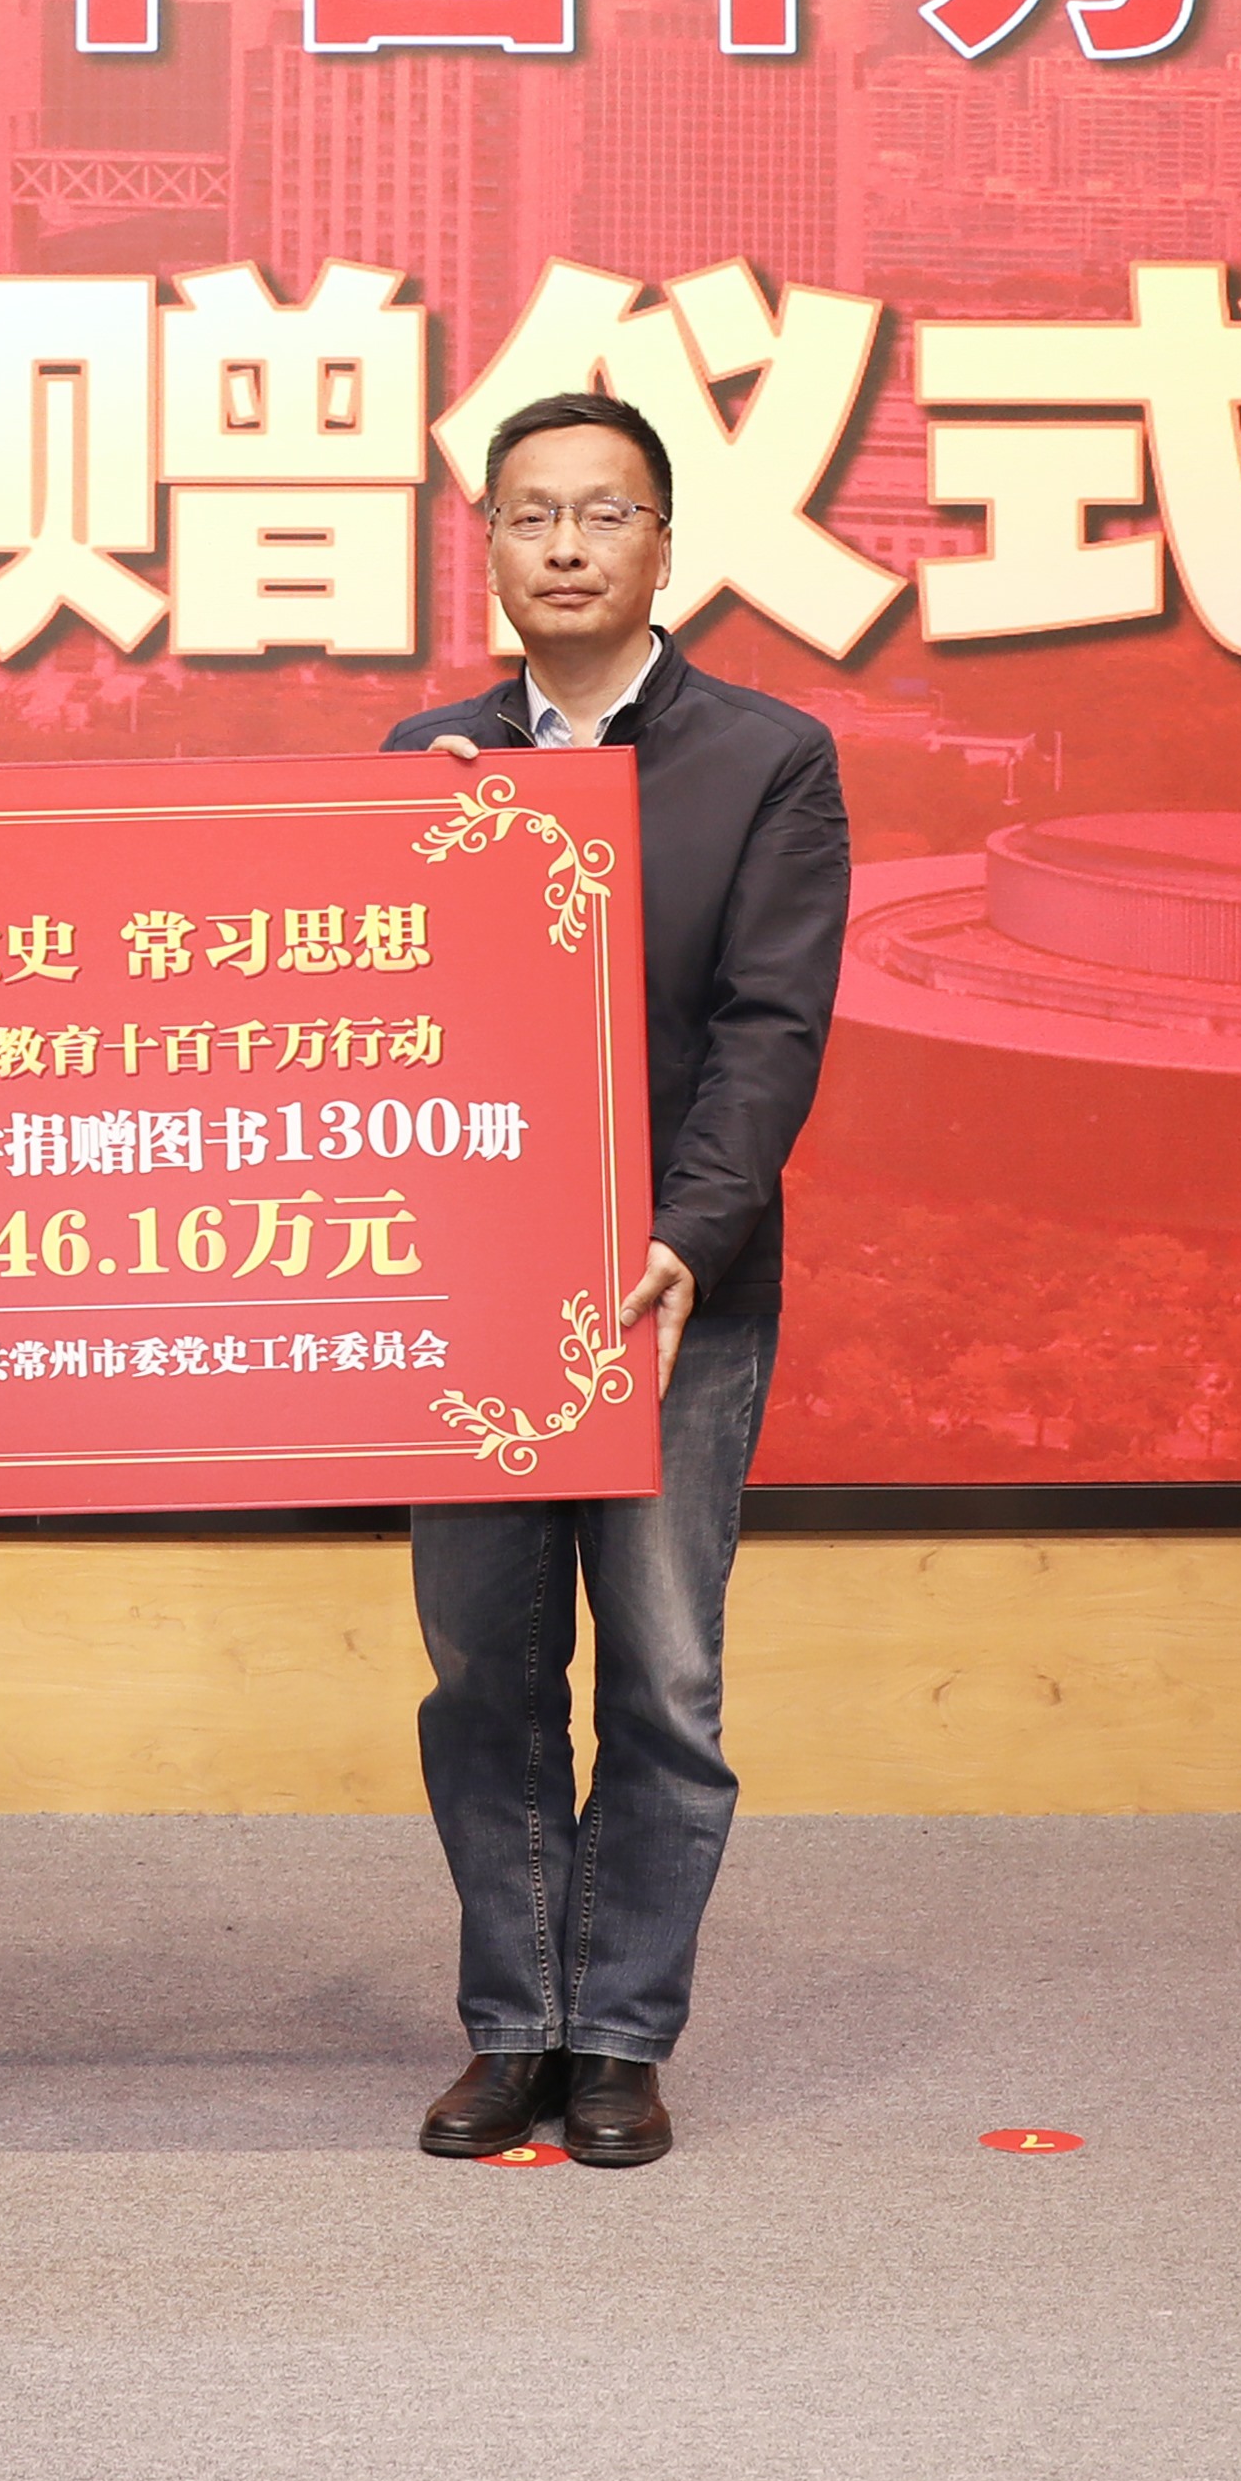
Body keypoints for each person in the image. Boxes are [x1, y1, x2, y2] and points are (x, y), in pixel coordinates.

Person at [377, 389, 849, 2167]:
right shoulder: (427, 755)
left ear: (664, 543)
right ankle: (514, 2027)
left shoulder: (768, 757)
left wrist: (683, 1244)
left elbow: (769, 1030)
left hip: (675, 1296)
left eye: (602, 513)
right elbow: (363, 1019)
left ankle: (623, 2038)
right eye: (530, 515)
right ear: (489, 545)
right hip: (471, 1295)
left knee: (662, 1682)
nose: (565, 546)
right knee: (482, 1679)